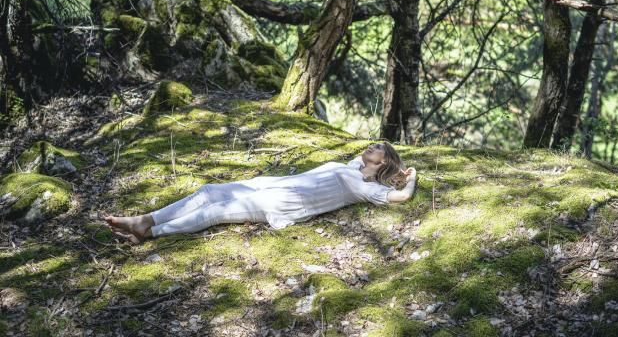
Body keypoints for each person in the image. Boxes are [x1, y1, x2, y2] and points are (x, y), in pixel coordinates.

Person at [104, 141, 417, 244]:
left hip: (283, 201)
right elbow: (390, 179)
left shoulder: (366, 189)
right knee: (210, 190)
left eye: (377, 147)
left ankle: (152, 231)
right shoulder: (354, 167)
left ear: (384, 160)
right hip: (277, 183)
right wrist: (397, 175)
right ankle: (147, 218)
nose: (370, 146)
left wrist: (410, 178)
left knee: (217, 211)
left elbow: (400, 197)